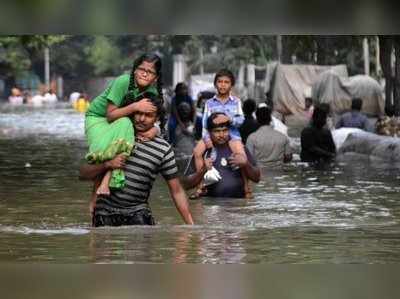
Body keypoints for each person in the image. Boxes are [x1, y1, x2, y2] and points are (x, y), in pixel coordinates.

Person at [80, 93, 194, 227]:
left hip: (138, 213)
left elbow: (177, 190)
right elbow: (84, 173)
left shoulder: (163, 149)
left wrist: (190, 226)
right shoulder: (115, 135)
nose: (141, 119)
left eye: (148, 115)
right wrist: (107, 164)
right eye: (138, 113)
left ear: (156, 118)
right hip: (104, 212)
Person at [84, 53, 162, 198]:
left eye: (150, 72)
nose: (144, 74)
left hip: (122, 121)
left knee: (127, 128)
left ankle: (107, 182)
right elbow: (110, 115)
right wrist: (135, 106)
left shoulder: (152, 92)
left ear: (155, 78)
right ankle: (95, 202)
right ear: (134, 70)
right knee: (123, 129)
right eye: (141, 69)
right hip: (98, 119)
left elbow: (156, 118)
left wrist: (156, 129)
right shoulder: (123, 82)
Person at [192, 69, 252, 198]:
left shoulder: (236, 102)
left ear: (231, 85)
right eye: (220, 82)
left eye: (226, 82)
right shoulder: (209, 103)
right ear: (215, 84)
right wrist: (206, 138)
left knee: (241, 155)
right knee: (197, 152)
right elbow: (204, 123)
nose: (223, 85)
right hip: (212, 136)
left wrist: (229, 119)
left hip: (232, 135)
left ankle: (247, 188)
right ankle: (200, 186)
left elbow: (241, 120)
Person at [182, 112, 260, 198]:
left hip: (237, 207)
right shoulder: (202, 152)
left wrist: (246, 164)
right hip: (210, 208)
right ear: (209, 132)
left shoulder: (239, 149)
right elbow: (186, 185)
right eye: (217, 131)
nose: (221, 135)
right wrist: (203, 170)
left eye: (225, 130)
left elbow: (257, 178)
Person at [246, 103, 292, 168]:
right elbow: (288, 157)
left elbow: (249, 159)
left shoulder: (252, 138)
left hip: (260, 174)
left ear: (257, 120)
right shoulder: (283, 137)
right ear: (270, 119)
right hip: (279, 173)